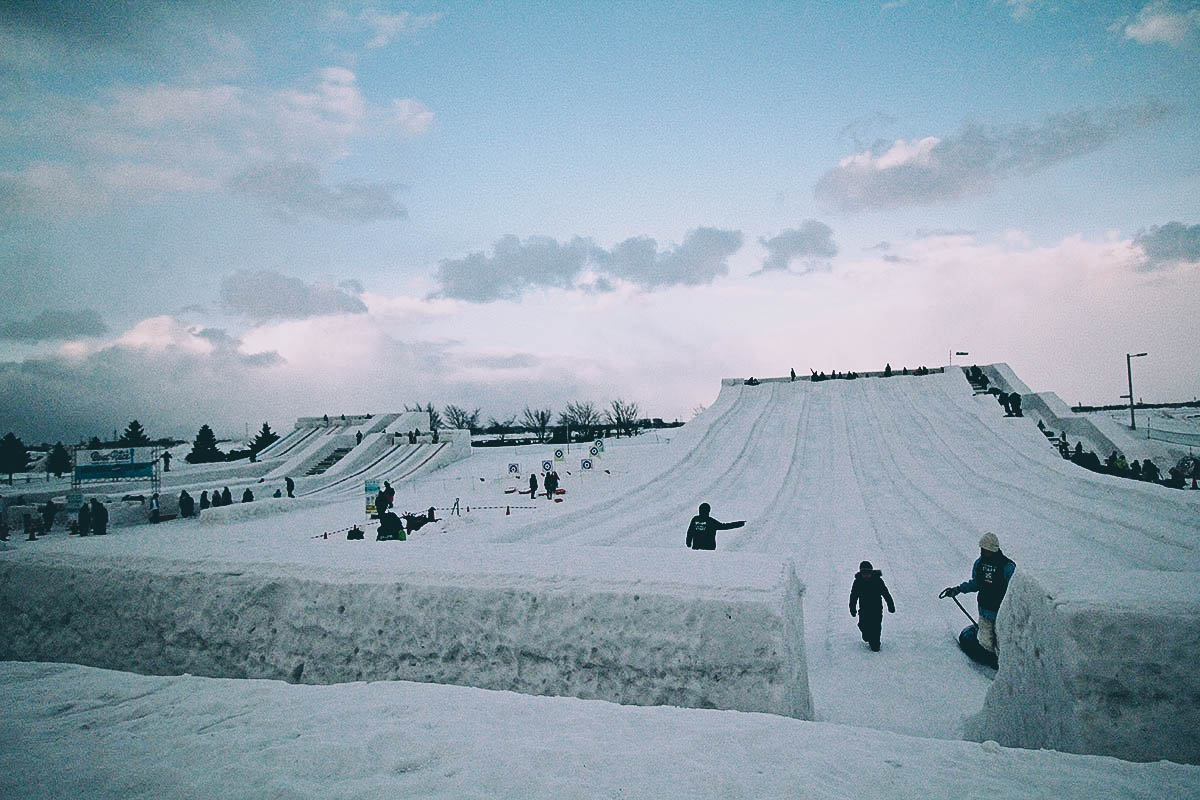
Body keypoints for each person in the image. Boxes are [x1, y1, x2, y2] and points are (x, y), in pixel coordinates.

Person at [940, 532, 1016, 655]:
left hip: (1001, 612)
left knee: (1002, 641)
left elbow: (1013, 589)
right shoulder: (979, 564)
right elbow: (976, 583)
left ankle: (1002, 663)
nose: (983, 552)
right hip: (985, 610)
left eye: (986, 549)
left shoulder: (1007, 567)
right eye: (982, 549)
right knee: (986, 641)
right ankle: (990, 658)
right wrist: (958, 589)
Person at [849, 560, 895, 651]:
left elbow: (886, 593)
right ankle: (867, 635)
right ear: (861, 573)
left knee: (876, 627)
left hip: (876, 609)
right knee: (865, 630)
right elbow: (853, 596)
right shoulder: (858, 582)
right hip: (864, 610)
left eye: (868, 573)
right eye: (864, 573)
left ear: (871, 572)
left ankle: (875, 643)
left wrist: (890, 605)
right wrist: (852, 608)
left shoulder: (877, 581)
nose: (866, 575)